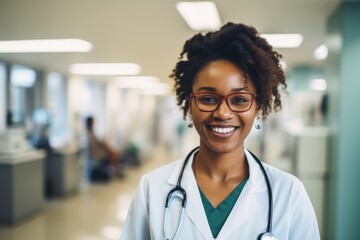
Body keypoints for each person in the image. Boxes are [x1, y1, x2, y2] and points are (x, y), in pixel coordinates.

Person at [120, 22, 320, 239]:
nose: (223, 113)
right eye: (207, 99)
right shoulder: (153, 188)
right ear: (190, 104)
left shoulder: (288, 193)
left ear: (258, 106)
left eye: (240, 99)